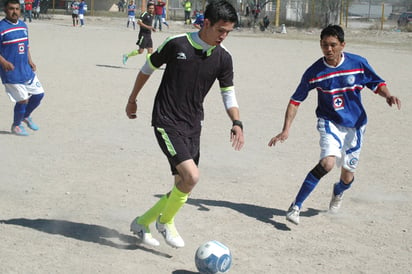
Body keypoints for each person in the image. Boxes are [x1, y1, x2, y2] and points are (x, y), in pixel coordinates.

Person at [125, 0, 244, 248]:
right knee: (192, 176)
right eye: (220, 30)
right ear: (207, 23)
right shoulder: (178, 43)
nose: (224, 36)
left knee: (182, 185)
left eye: (228, 32)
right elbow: (148, 68)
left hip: (193, 125)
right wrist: (132, 99)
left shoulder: (223, 57)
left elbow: (228, 92)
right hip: (166, 120)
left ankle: (142, 223)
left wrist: (236, 121)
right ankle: (165, 222)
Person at [268, 25, 401, 225]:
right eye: (324, 45)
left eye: (333, 45)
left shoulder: (358, 64)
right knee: (327, 163)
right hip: (329, 122)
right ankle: (296, 206)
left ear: (342, 45)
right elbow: (295, 101)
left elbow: (377, 84)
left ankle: (338, 193)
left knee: (347, 176)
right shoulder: (314, 72)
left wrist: (388, 95)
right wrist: (286, 129)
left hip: (356, 126)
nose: (328, 50)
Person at [0, 0, 45, 136]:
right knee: (23, 100)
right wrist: (4, 62)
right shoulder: (1, 27)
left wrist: (30, 60)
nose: (15, 12)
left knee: (39, 94)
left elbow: (26, 46)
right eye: (11, 9)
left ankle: (25, 116)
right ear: (5, 10)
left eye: (17, 9)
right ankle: (16, 125)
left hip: (25, 69)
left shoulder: (23, 25)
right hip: (11, 72)